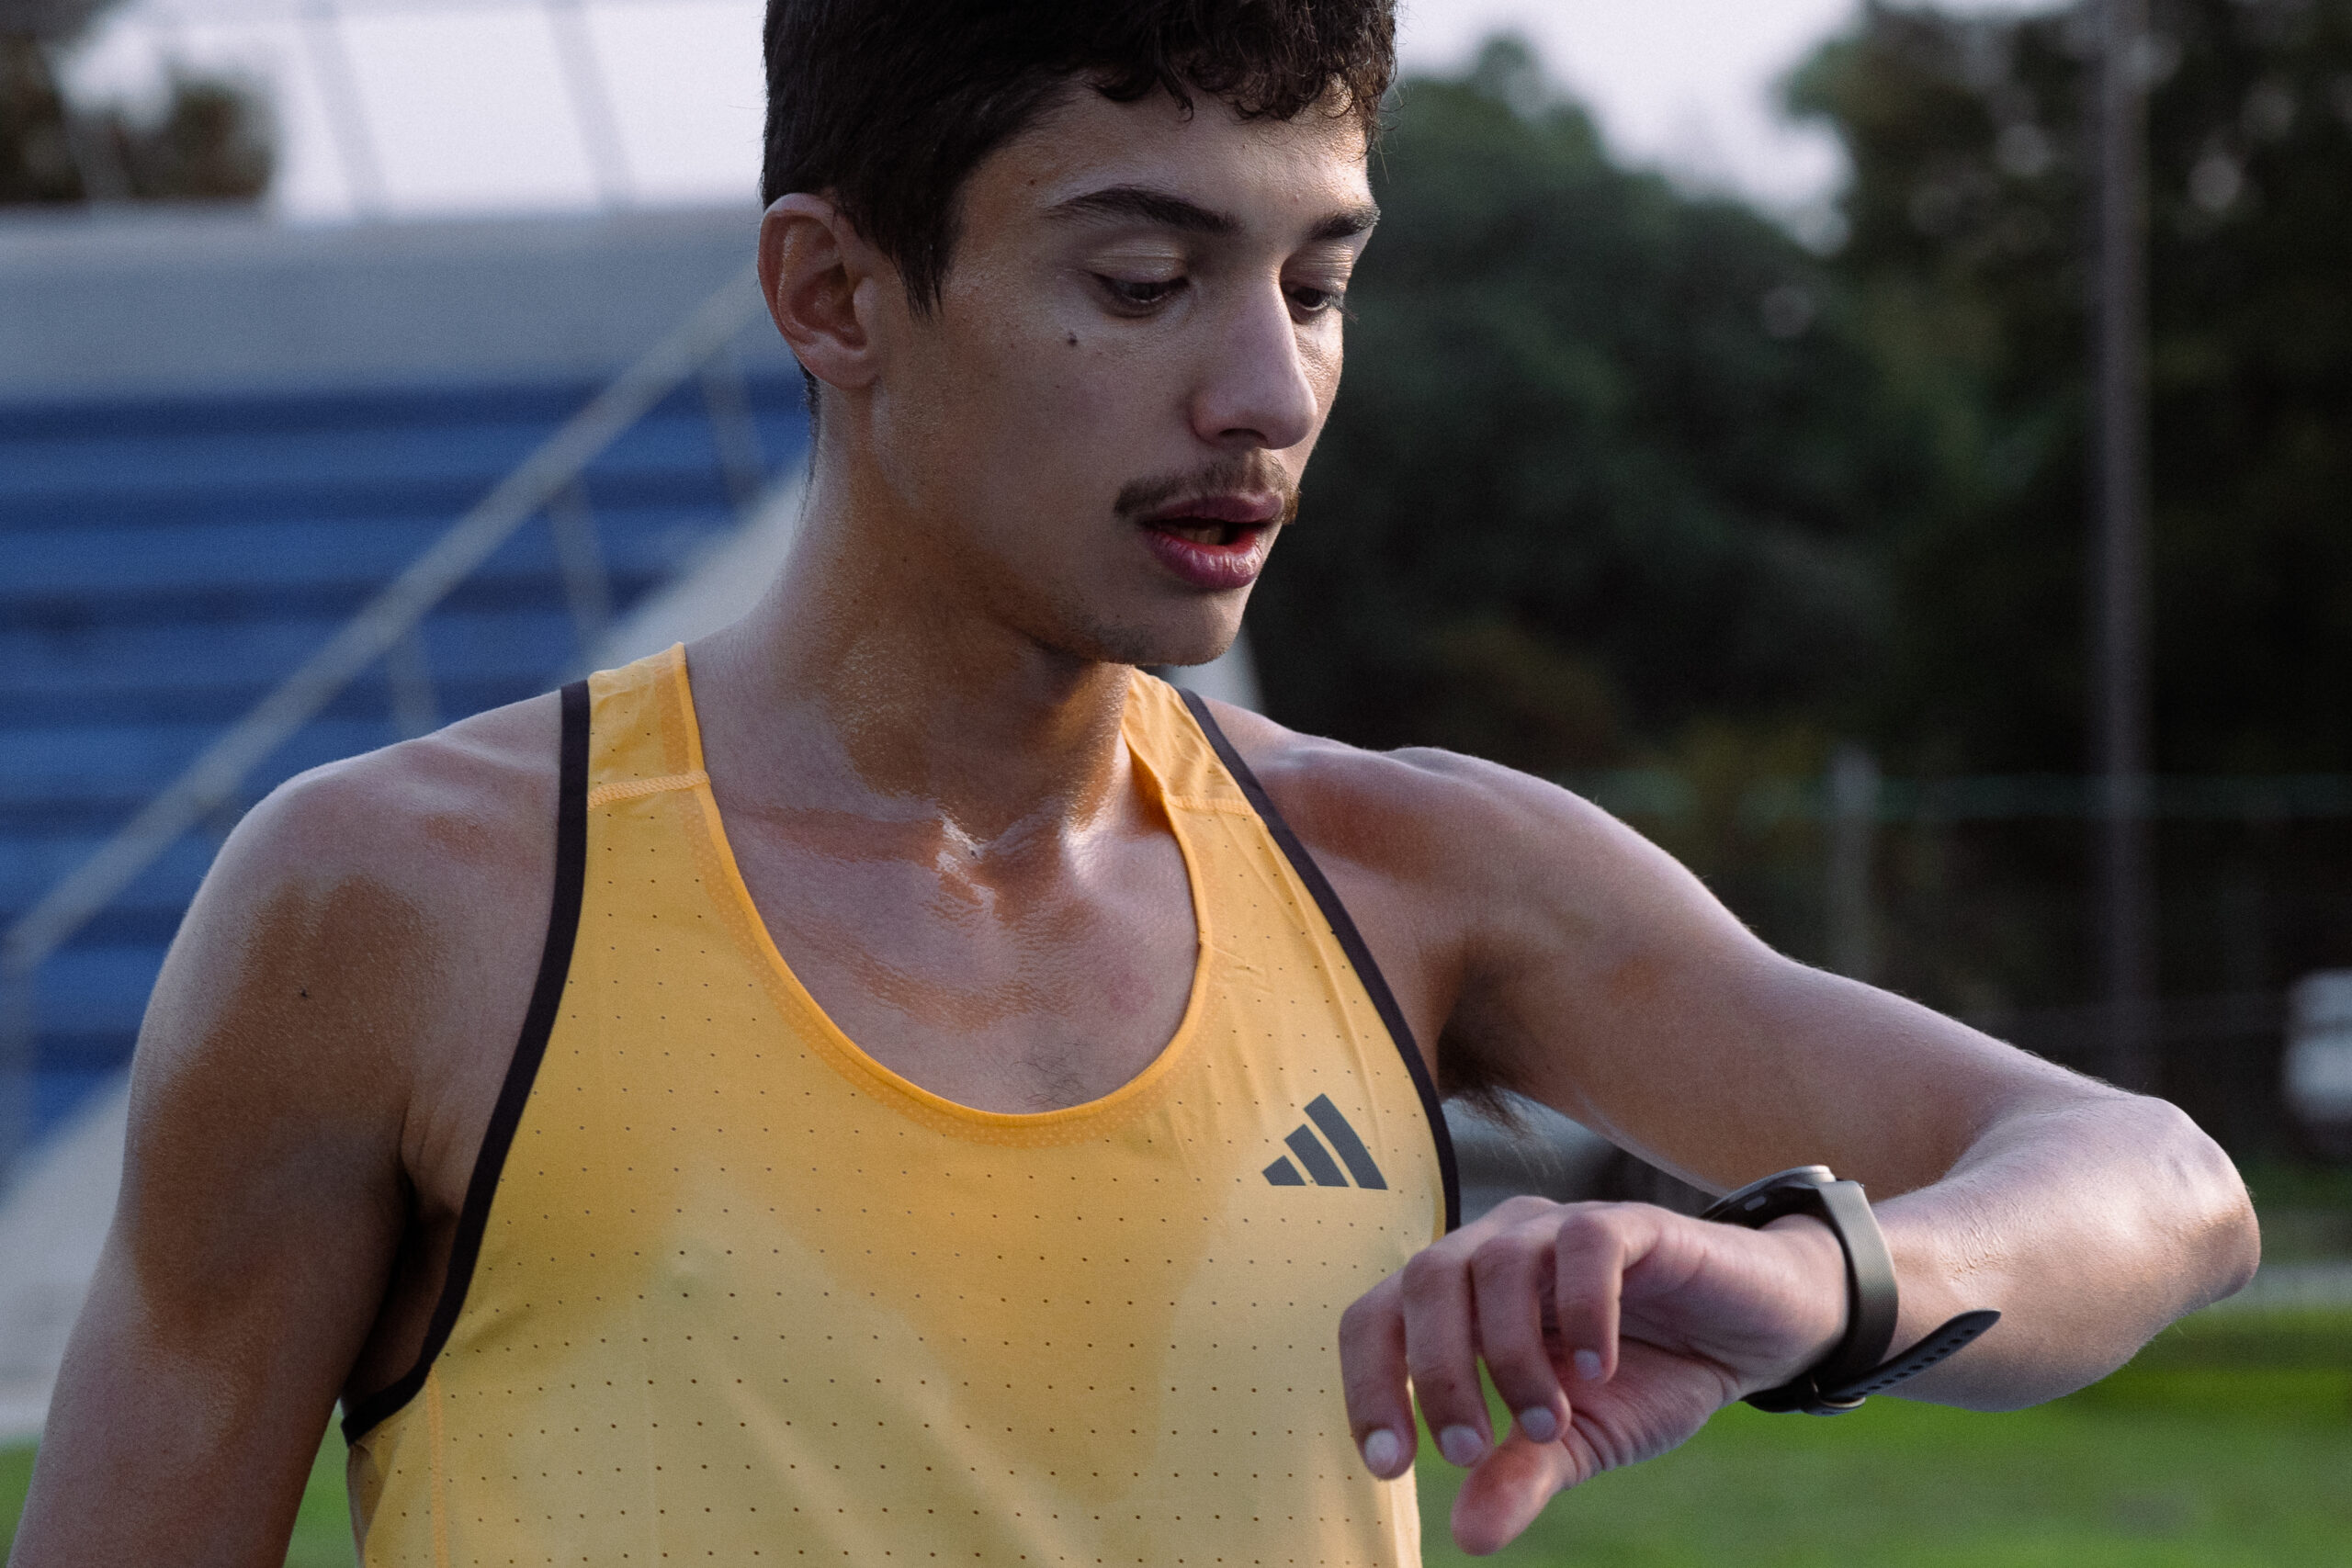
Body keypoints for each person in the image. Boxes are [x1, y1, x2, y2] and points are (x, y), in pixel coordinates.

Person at [12, 1, 2257, 1562]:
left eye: (1318, 275)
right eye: (1143, 274)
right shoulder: (404, 902)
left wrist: (1815, 1275)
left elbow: (2151, 1183)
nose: (1264, 388)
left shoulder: (1406, 872)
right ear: (833, 290)